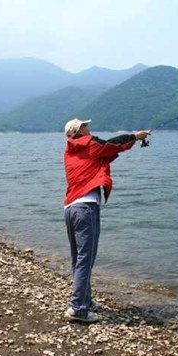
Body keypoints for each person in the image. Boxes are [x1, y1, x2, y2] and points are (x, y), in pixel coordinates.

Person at [63, 118, 150, 323]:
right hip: (85, 208)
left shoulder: (71, 151)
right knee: (86, 258)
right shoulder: (89, 144)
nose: (89, 127)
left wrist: (130, 141)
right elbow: (111, 145)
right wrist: (135, 137)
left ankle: (84, 298)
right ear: (79, 131)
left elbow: (105, 153)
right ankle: (78, 308)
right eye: (85, 126)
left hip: (70, 208)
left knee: (79, 258)